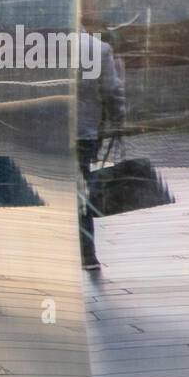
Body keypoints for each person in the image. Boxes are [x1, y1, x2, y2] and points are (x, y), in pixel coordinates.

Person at [76, 31, 126, 270]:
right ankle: (87, 254)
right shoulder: (97, 48)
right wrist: (118, 120)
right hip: (82, 131)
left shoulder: (33, 43)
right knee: (80, 191)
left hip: (41, 131)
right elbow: (111, 91)